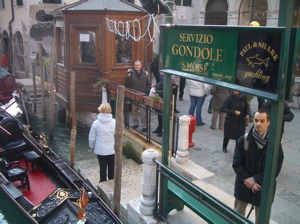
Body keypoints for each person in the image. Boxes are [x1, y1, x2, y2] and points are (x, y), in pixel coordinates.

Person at [232, 109, 284, 223]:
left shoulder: (274, 143)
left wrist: (256, 179)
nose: (258, 123)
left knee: (261, 219)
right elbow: (237, 164)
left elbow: (276, 167)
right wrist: (249, 180)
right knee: (237, 216)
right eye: (256, 120)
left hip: (263, 188)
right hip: (244, 185)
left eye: (262, 121)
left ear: (268, 123)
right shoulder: (244, 140)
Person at [88, 103, 116, 183]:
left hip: (100, 148)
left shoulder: (96, 123)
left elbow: (92, 137)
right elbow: (117, 135)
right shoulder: (114, 122)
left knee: (102, 166)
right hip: (110, 147)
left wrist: (92, 146)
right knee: (111, 165)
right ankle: (111, 179)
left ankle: (103, 180)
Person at [125, 60, 151, 132]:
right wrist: (128, 76)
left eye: (138, 65)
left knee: (143, 112)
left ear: (141, 66)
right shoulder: (131, 73)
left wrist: (146, 92)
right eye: (135, 65)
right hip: (134, 95)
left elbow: (148, 84)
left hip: (142, 95)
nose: (136, 66)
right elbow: (127, 83)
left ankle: (144, 126)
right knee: (134, 110)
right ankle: (135, 123)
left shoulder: (145, 73)